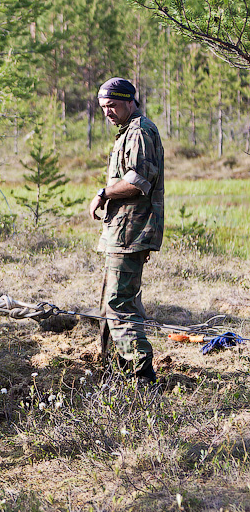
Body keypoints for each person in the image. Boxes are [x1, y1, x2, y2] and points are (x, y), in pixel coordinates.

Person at [87, 77, 164, 385]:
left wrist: (103, 193)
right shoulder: (127, 132)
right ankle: (115, 366)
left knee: (119, 303)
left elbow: (137, 181)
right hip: (121, 231)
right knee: (116, 299)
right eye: (104, 107)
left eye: (113, 106)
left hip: (131, 232)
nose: (108, 113)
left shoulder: (140, 131)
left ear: (130, 101)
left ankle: (142, 377)